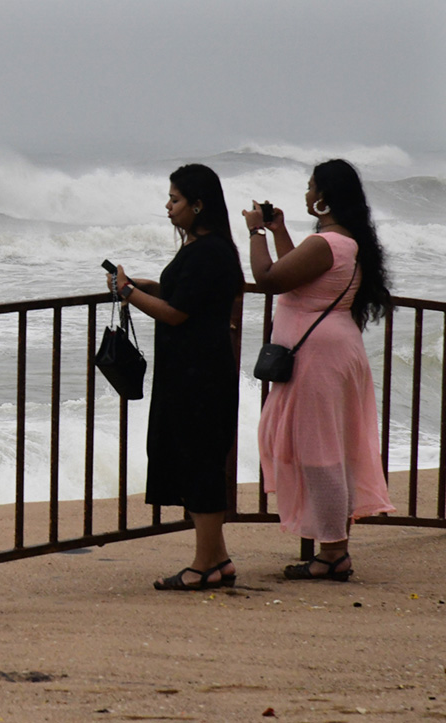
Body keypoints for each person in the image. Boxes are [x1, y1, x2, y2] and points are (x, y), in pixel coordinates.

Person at [244, 158, 395, 581]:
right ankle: (333, 547)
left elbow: (270, 279)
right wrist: (278, 231)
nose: (306, 193)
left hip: (319, 359)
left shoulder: (327, 243)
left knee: (320, 452)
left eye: (311, 187)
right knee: (329, 448)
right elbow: (297, 273)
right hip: (334, 350)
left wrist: (254, 231)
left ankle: (332, 553)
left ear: (324, 198)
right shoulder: (340, 241)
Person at [109, 164, 244, 591]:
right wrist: (146, 285)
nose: (168, 208)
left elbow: (177, 313)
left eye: (175, 200)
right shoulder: (211, 247)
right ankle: (218, 559)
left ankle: (203, 565)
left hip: (197, 375)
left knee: (200, 462)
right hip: (201, 369)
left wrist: (131, 293)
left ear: (197, 204)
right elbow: (186, 296)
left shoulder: (206, 251)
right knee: (200, 459)